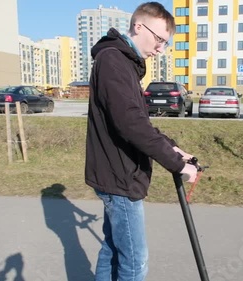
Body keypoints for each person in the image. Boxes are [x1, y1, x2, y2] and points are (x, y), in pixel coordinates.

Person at [84, 2, 198, 280]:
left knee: (113, 249)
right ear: (138, 26)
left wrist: (172, 147)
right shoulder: (113, 61)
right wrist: (175, 164)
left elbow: (138, 120)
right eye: (159, 39)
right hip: (120, 176)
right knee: (135, 261)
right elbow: (130, 124)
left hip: (117, 172)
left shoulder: (123, 64)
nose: (160, 48)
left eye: (165, 43)